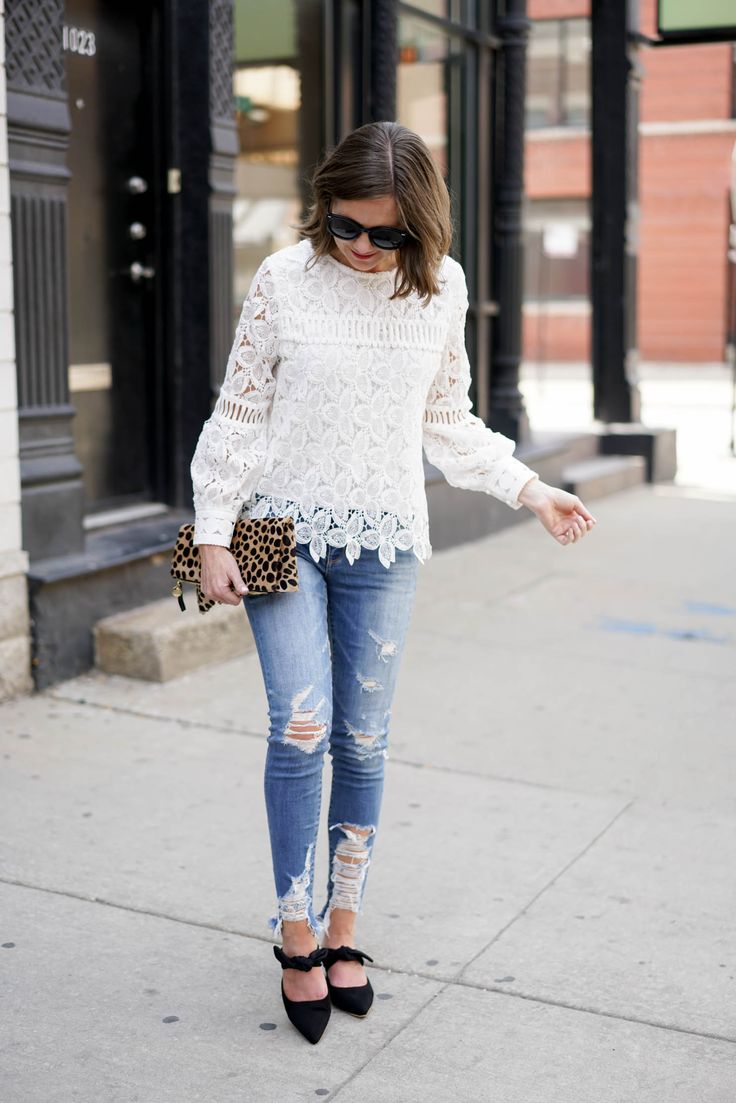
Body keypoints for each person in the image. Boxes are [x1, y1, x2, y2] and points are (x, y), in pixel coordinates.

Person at [189, 121, 596, 1044]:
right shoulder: (283, 279)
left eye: (386, 233)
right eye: (346, 226)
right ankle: (295, 934)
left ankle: (343, 929)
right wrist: (213, 533)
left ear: (421, 225)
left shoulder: (441, 288)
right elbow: (239, 413)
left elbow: (448, 418)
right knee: (302, 728)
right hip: (276, 531)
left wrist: (529, 488)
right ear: (323, 208)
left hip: (385, 540)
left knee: (364, 742)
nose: (363, 247)